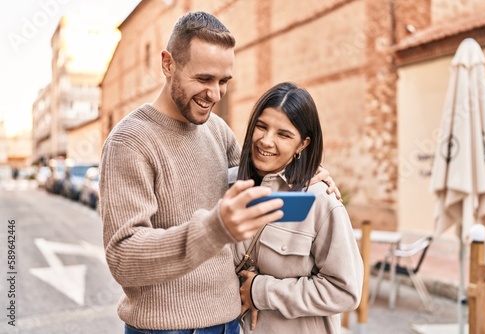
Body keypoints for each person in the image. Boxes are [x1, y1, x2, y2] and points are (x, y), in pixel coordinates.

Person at [99, 12, 339, 334]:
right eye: (203, 79)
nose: (215, 94)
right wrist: (215, 229)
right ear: (168, 64)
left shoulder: (216, 129)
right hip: (166, 329)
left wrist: (307, 172)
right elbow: (124, 258)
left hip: (229, 323)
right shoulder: (129, 142)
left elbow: (259, 177)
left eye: (223, 81)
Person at [232, 82, 363, 334]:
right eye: (261, 126)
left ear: (302, 144)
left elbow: (345, 291)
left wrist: (261, 291)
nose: (266, 141)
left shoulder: (320, 200)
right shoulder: (232, 188)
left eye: (283, 134)